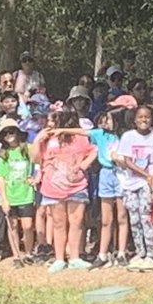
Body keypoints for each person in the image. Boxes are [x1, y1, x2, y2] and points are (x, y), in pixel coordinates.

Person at [34, 107, 98, 272]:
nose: (48, 124)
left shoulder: (80, 137)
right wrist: (37, 141)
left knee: (76, 222)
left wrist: (84, 164)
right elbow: (36, 159)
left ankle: (75, 257)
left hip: (77, 186)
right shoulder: (46, 139)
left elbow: (96, 148)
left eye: (52, 120)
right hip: (53, 186)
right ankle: (59, 258)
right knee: (58, 223)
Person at [115, 104, 153, 272]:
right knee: (134, 218)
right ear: (134, 120)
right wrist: (144, 174)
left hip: (147, 185)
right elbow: (128, 161)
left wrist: (152, 184)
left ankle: (150, 254)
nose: (144, 120)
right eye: (140, 117)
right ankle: (139, 252)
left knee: (145, 217)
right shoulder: (128, 137)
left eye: (147, 117)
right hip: (131, 183)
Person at [89, 105, 128, 268]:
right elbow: (80, 131)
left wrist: (118, 159)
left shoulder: (124, 137)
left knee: (122, 216)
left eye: (109, 120)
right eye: (103, 121)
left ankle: (121, 252)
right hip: (105, 174)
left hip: (121, 174)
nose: (105, 123)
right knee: (106, 218)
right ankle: (103, 253)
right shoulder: (99, 134)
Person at [0, 120, 37, 268]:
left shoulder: (27, 149)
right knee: (12, 225)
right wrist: (4, 199)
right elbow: (1, 177)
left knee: (27, 226)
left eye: (11, 132)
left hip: (26, 193)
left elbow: (38, 162)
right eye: (5, 133)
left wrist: (35, 177)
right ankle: (16, 255)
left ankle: (28, 252)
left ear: (18, 133)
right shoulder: (4, 154)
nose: (9, 136)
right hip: (10, 194)